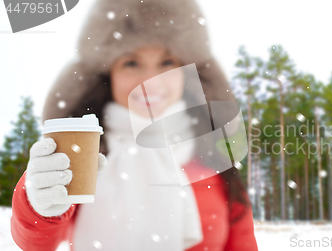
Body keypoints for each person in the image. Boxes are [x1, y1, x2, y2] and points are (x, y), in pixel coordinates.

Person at [10, 0, 258, 250]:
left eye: (167, 62)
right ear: (109, 76)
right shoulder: (83, 154)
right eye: (131, 63)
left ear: (186, 71)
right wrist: (38, 202)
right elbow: (38, 243)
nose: (151, 82)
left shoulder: (215, 160)